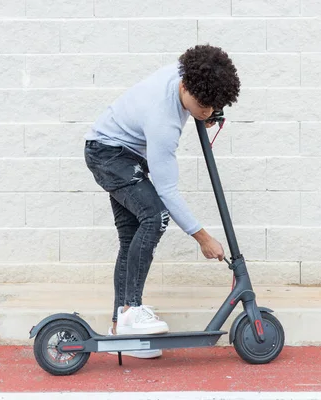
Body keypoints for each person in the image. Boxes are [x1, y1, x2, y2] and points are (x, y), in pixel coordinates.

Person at [84, 44, 241, 358]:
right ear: (184, 86)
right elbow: (167, 191)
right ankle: (130, 310)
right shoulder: (163, 121)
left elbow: (205, 93)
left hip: (120, 150)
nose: (208, 112)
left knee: (131, 237)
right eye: (204, 105)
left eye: (215, 105)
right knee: (156, 217)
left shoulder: (190, 75)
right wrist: (203, 238)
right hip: (108, 155)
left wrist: (207, 107)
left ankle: (122, 327)